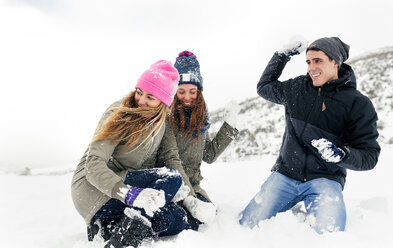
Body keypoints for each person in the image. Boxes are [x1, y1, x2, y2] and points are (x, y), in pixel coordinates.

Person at [239, 37, 380, 233]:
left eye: (318, 60)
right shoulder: (297, 88)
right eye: (308, 61)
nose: (311, 67)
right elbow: (264, 88)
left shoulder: (357, 103)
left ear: (335, 62)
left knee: (329, 236)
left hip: (325, 180)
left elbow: (369, 156)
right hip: (285, 176)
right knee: (245, 227)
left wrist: (341, 155)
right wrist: (281, 56)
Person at [71, 60, 196, 248]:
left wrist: (190, 198)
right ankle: (122, 241)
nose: (141, 100)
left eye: (150, 97)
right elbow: (93, 164)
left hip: (129, 191)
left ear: (163, 103)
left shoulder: (163, 123)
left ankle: (109, 226)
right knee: (171, 178)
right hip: (95, 189)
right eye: (139, 92)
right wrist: (130, 195)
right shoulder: (119, 112)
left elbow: (171, 158)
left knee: (177, 218)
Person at [170, 50, 240, 230]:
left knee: (207, 220)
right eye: (181, 91)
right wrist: (187, 197)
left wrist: (229, 126)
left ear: (199, 91)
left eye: (192, 91)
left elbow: (208, 154)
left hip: (193, 186)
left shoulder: (200, 118)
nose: (187, 97)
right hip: (169, 185)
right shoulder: (166, 117)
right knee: (181, 223)